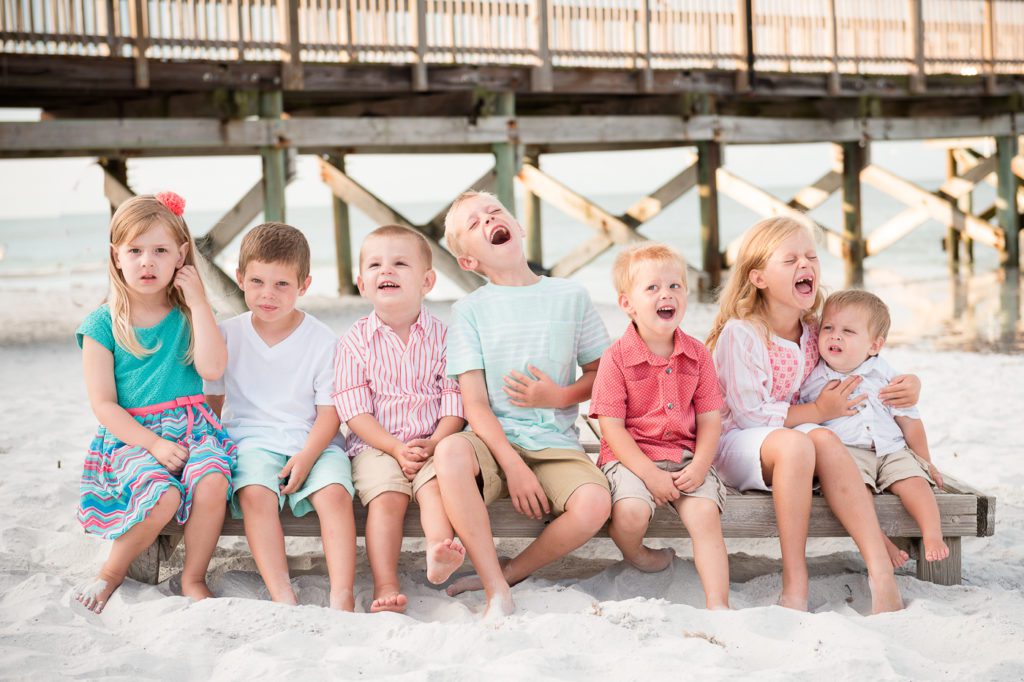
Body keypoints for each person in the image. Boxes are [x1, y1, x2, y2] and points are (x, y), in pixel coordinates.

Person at [706, 216, 921, 614]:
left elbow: (863, 358)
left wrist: (909, 384)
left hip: (798, 435)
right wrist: (820, 410)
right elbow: (751, 415)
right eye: (789, 260)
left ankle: (880, 573)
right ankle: (795, 580)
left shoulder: (814, 329)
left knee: (822, 438)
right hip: (736, 442)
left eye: (811, 256)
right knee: (799, 443)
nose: (805, 265)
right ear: (758, 278)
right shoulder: (743, 333)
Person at [432, 191, 612, 619]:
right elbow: (474, 404)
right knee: (450, 451)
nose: (488, 219)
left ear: (519, 227)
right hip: (493, 441)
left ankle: (512, 571)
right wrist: (512, 466)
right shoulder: (469, 311)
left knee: (594, 504)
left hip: (554, 441)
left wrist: (560, 396)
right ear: (468, 262)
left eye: (494, 212)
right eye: (473, 224)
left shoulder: (570, 296)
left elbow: (601, 374)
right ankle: (496, 587)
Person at [75, 192, 234, 613]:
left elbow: (214, 368)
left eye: (160, 251)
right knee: (161, 496)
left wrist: (199, 302)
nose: (147, 261)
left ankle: (193, 577)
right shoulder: (102, 324)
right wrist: (154, 444)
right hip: (131, 439)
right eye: (136, 251)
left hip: (194, 430)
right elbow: (104, 406)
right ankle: (111, 573)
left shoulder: (189, 314)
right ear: (116, 256)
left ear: (182, 255)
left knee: (213, 480)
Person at [204, 222, 357, 610]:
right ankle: (281, 593)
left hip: (314, 441)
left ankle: (342, 596)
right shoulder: (227, 335)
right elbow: (214, 403)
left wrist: (307, 457)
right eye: (256, 281)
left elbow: (329, 415)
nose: (267, 294)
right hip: (251, 440)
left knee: (336, 495)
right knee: (256, 495)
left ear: (303, 285)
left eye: (282, 285)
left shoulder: (322, 340)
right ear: (239, 278)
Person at [333, 224, 466, 614]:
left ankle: (440, 551)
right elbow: (354, 409)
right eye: (375, 265)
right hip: (376, 445)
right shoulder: (355, 341)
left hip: (431, 440)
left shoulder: (444, 337)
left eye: (399, 263)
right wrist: (393, 447)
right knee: (387, 499)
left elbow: (453, 399)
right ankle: (385, 583)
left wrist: (437, 441)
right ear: (361, 283)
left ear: (427, 281)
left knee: (435, 490)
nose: (385, 271)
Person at [590, 243, 729, 609]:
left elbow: (710, 417)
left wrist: (699, 465)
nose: (666, 294)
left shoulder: (698, 354)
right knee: (631, 514)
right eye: (652, 288)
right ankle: (637, 555)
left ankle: (719, 604)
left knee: (704, 516)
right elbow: (613, 428)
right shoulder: (616, 358)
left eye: (675, 286)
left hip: (685, 455)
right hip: (632, 458)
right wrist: (649, 475)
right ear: (627, 303)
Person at [800, 289, 948, 562]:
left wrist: (925, 462)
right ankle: (880, 542)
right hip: (847, 454)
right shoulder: (814, 379)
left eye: (848, 331)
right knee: (857, 491)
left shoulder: (886, 376)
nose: (835, 336)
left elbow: (909, 420)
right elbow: (802, 418)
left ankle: (932, 533)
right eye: (828, 328)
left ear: (874, 346)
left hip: (892, 449)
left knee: (915, 482)